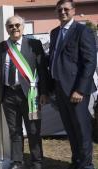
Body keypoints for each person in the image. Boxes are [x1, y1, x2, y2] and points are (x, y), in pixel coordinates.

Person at [49, 0, 97, 168]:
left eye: (66, 9)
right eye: (59, 9)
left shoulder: (83, 31)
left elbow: (90, 62)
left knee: (82, 130)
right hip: (60, 89)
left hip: (76, 91)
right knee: (70, 129)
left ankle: (86, 165)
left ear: (73, 11)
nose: (62, 12)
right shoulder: (54, 32)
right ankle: (77, 161)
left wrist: (80, 90)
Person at [0, 15, 49, 169]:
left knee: (33, 130)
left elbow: (42, 70)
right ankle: (17, 162)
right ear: (7, 28)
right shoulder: (1, 47)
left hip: (31, 95)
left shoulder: (34, 44)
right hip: (8, 95)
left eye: (17, 25)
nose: (14, 28)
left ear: (23, 27)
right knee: (14, 131)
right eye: (11, 26)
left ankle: (37, 161)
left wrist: (44, 93)